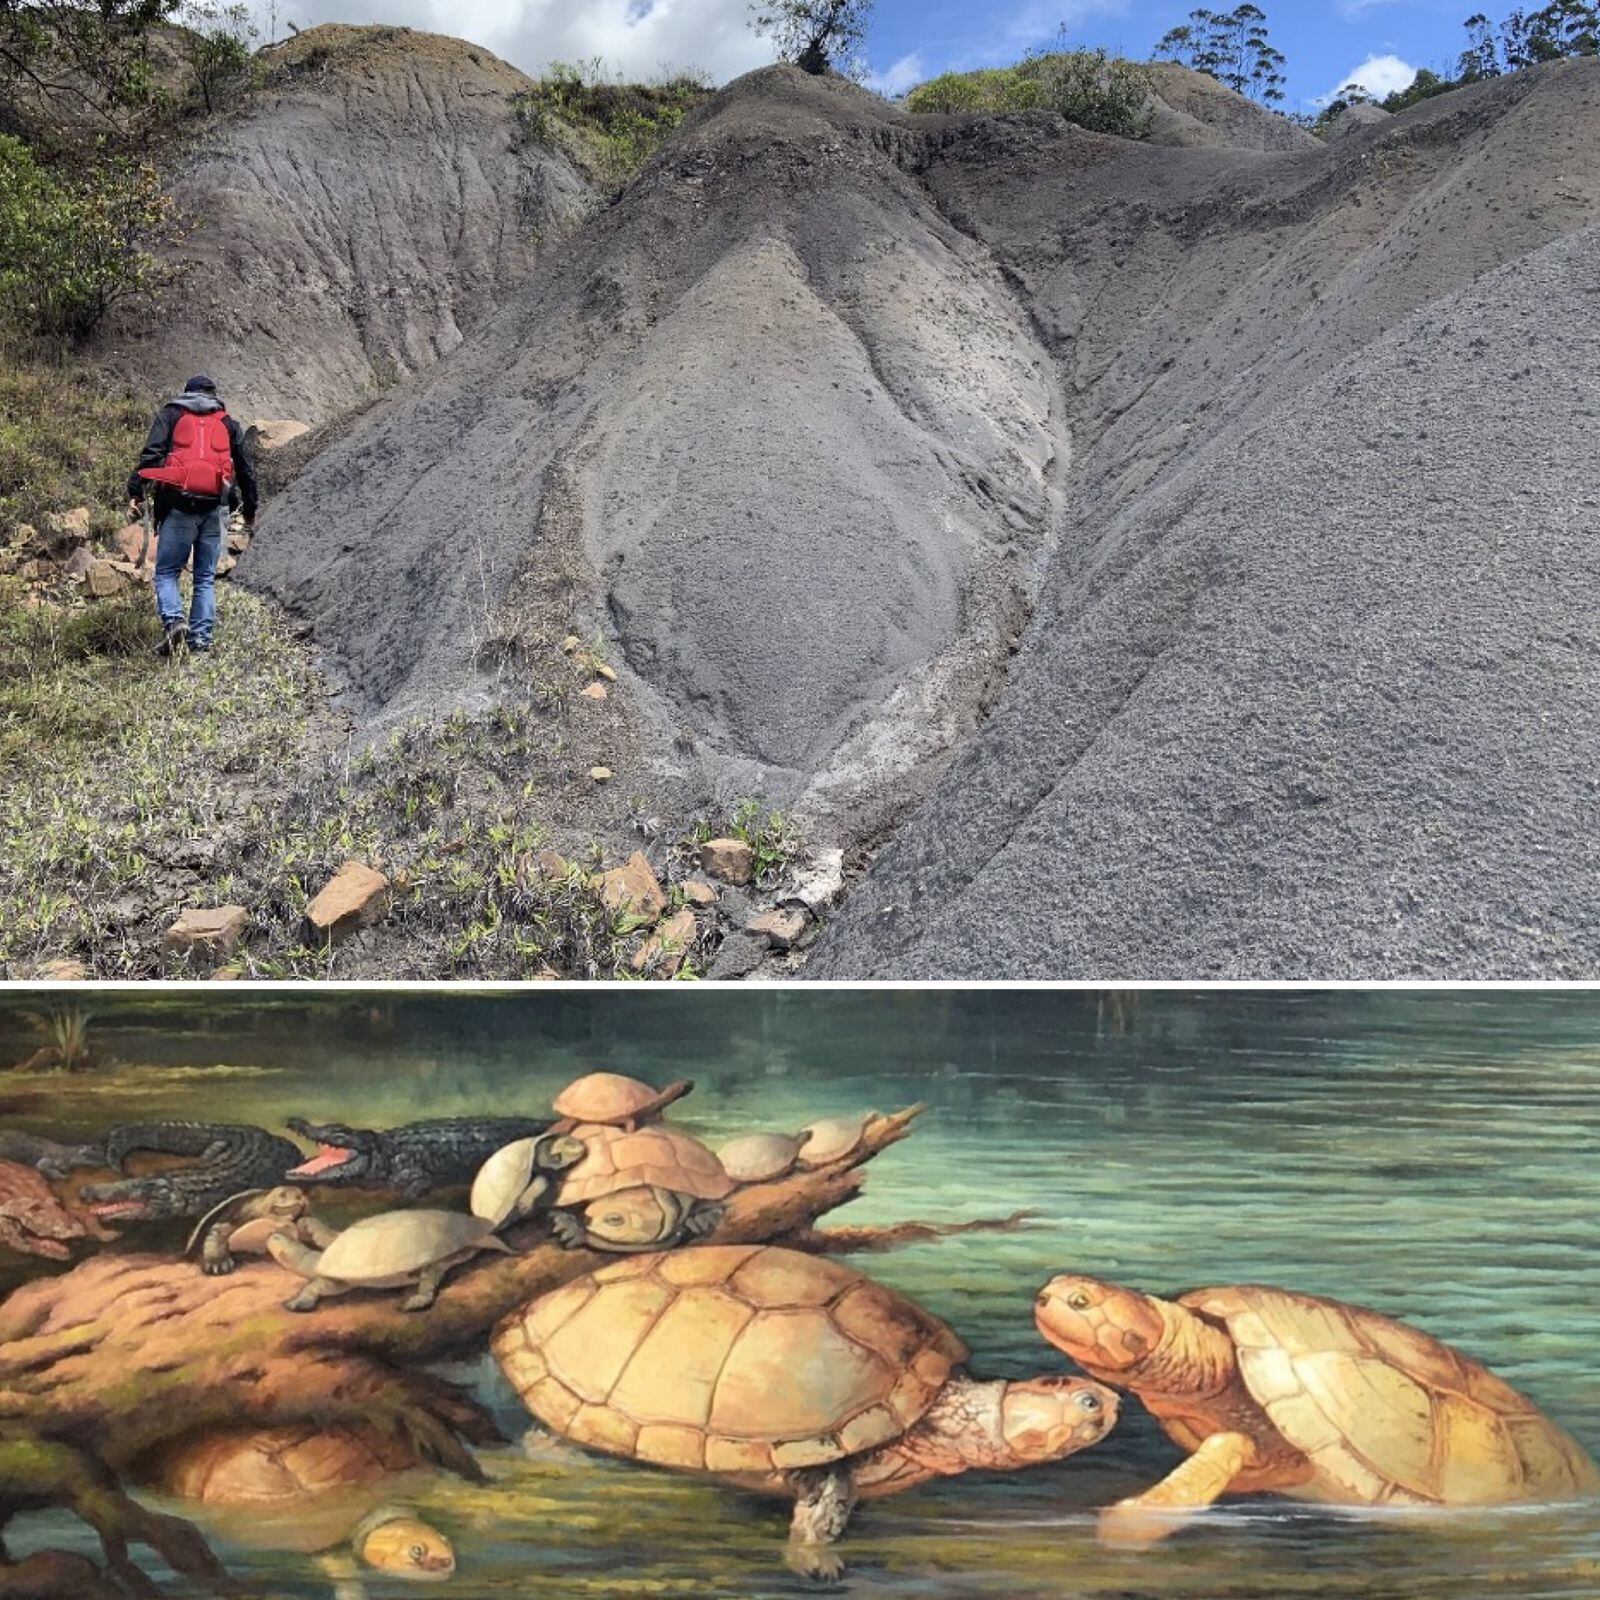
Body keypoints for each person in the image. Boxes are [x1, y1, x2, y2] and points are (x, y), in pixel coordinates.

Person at [127, 374, 259, 656]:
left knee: (166, 572)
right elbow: (246, 471)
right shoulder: (227, 423)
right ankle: (200, 642)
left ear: (187, 393)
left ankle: (175, 621)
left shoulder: (171, 414)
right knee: (204, 578)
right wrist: (249, 511)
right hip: (214, 508)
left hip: (178, 506)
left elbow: (151, 456)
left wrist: (136, 492)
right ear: (213, 395)